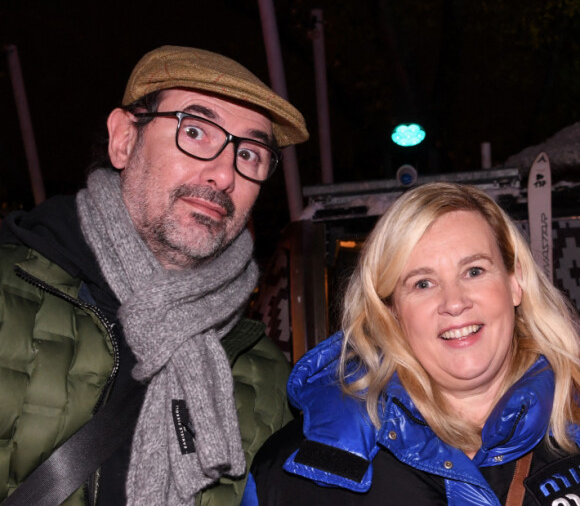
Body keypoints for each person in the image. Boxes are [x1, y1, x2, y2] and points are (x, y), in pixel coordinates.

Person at [0, 45, 309, 506]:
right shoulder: (10, 297)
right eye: (196, 131)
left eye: (250, 154)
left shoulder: (265, 377)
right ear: (124, 139)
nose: (224, 173)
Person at [244, 182, 580, 506]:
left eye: (474, 271)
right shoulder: (295, 475)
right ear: (390, 311)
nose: (454, 302)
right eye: (422, 283)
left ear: (515, 282)